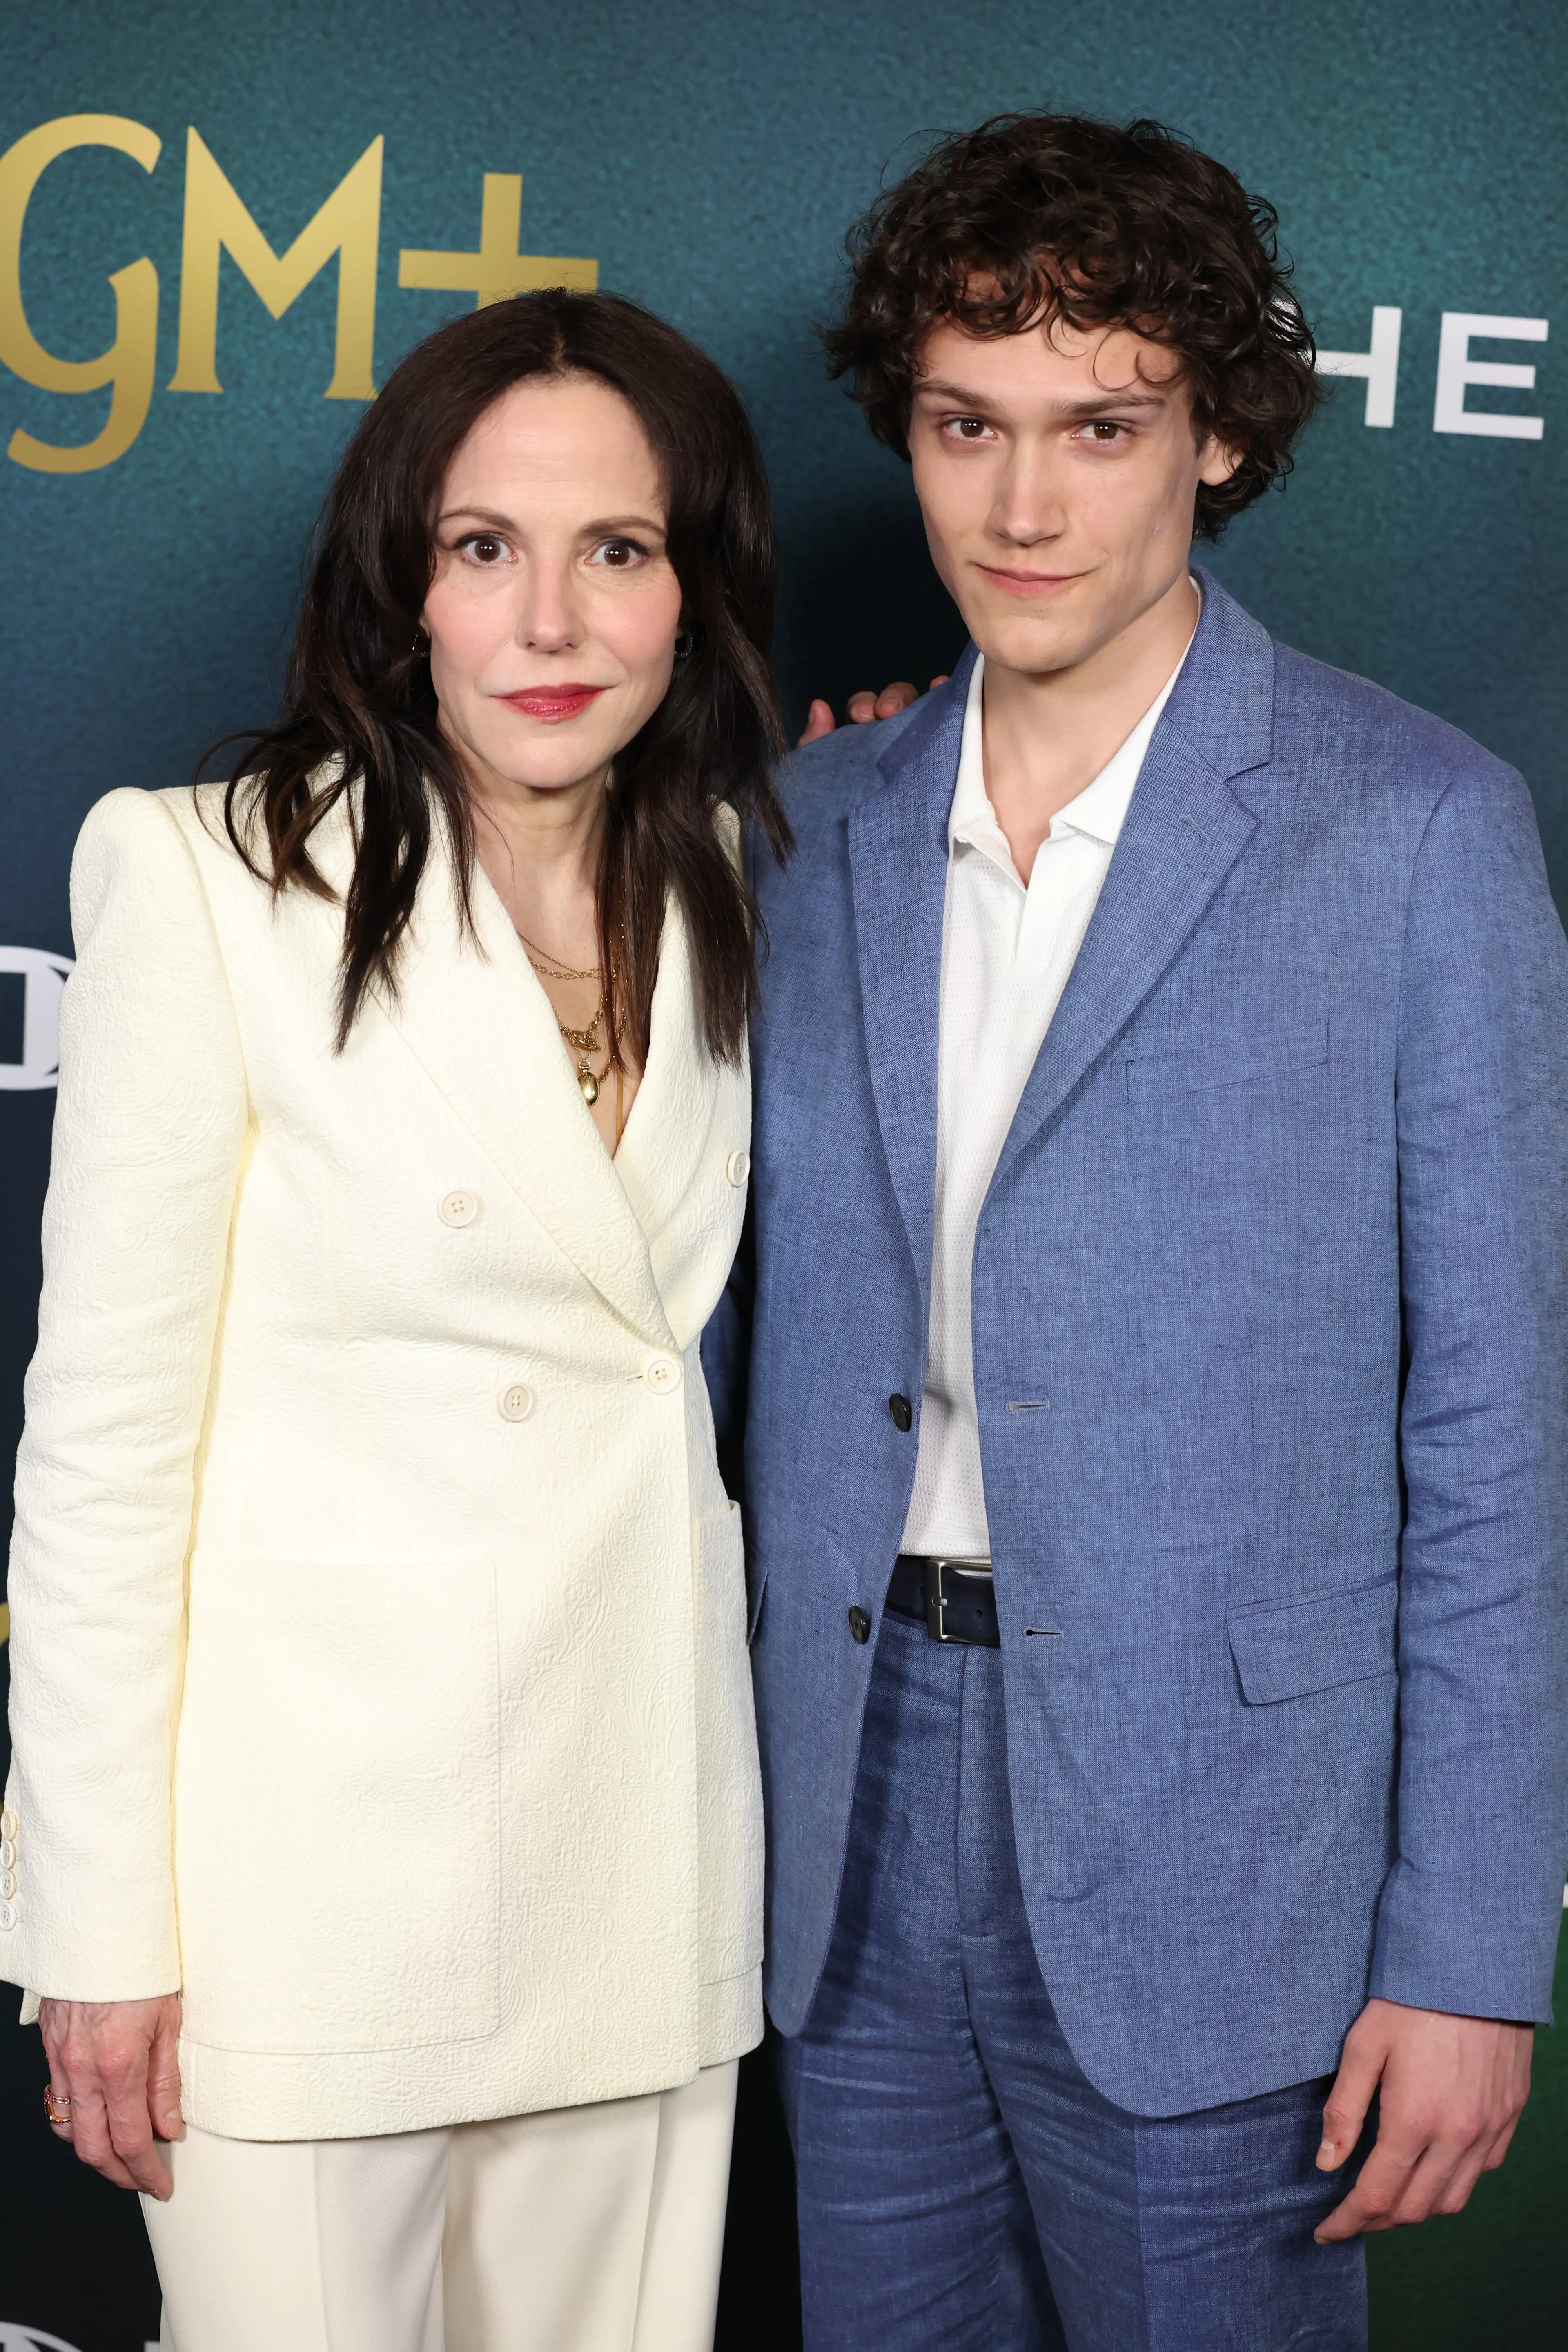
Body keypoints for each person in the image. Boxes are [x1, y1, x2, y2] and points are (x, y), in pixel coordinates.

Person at [705, 113, 1568, 2350]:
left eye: (1101, 430)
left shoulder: (1419, 833)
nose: (1021, 507)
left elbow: (1497, 1431)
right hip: (846, 1808)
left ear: (1216, 440)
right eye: (964, 428)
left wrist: (1467, 1951)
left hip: (1232, 1841)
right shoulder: (809, 825)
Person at [2, 286, 791, 2352]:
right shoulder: (207, 881)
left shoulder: (731, 877)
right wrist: (95, 1929)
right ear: (403, 584)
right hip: (307, 1901)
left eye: (618, 551)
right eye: (484, 549)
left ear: (692, 590)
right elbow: (104, 1452)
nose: (551, 621)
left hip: (638, 1867)